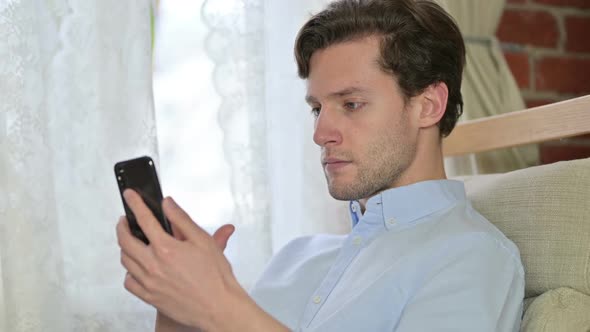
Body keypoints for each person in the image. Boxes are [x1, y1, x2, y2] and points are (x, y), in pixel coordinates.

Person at [116, 0, 525, 331]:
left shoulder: (473, 256)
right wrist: (176, 305)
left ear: (428, 105)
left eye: (351, 104)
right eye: (317, 108)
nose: (321, 133)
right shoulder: (297, 256)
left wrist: (221, 308)